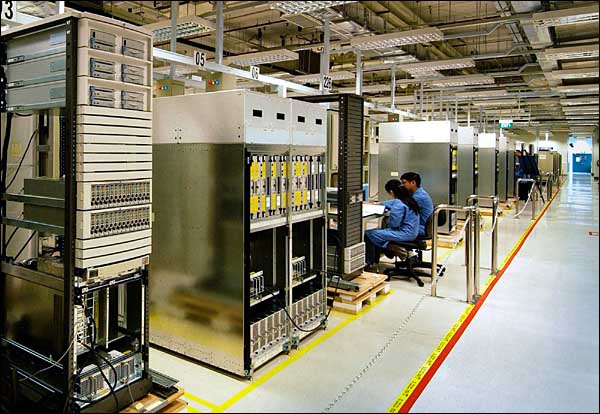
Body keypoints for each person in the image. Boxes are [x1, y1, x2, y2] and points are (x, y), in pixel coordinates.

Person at [364, 180, 420, 266]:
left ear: (391, 192)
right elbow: (388, 203)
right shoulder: (408, 199)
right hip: (412, 232)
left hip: (404, 233)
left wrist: (388, 220)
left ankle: (370, 262)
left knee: (369, 234)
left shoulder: (399, 203)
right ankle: (398, 252)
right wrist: (376, 203)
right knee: (380, 233)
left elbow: (394, 224)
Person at [400, 172, 433, 237]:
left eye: (404, 183)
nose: (402, 186)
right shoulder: (419, 192)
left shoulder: (418, 197)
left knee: (391, 226)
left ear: (413, 183)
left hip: (421, 228)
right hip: (422, 226)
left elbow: (401, 208)